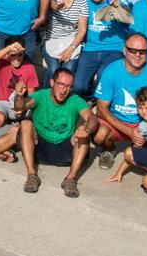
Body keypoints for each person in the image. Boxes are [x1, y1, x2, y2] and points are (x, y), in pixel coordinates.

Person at [13, 67, 99, 197]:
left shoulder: (75, 99)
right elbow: (19, 107)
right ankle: (31, 175)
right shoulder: (41, 95)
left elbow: (92, 118)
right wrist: (19, 96)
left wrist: (86, 130)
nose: (64, 90)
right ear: (52, 83)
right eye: (61, 84)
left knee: (83, 129)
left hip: (65, 150)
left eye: (68, 86)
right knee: (25, 124)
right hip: (40, 147)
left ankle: (70, 179)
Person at [92, 33, 147, 170]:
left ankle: (142, 148)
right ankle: (109, 149)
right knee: (99, 136)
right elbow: (101, 108)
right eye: (133, 50)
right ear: (124, 51)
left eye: (142, 51)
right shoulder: (111, 71)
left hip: (144, 122)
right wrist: (129, 131)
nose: (137, 55)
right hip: (117, 121)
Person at [77, 0, 131, 99]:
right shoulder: (84, 2)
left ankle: (98, 101)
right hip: (91, 49)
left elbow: (129, 17)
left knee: (103, 76)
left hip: (114, 49)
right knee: (79, 86)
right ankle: (93, 99)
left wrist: (119, 7)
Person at [44, 0, 88, 78]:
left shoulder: (82, 2)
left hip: (72, 42)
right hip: (51, 40)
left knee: (69, 70)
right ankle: (46, 95)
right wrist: (50, 3)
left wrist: (70, 48)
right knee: (54, 70)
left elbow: (82, 30)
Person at [0, 37, 41, 125]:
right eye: (13, 55)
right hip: (2, 102)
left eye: (20, 55)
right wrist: (9, 48)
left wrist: (23, 107)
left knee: (35, 116)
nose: (17, 58)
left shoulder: (29, 68)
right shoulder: (2, 63)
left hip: (20, 103)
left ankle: (18, 125)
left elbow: (32, 96)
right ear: (7, 54)